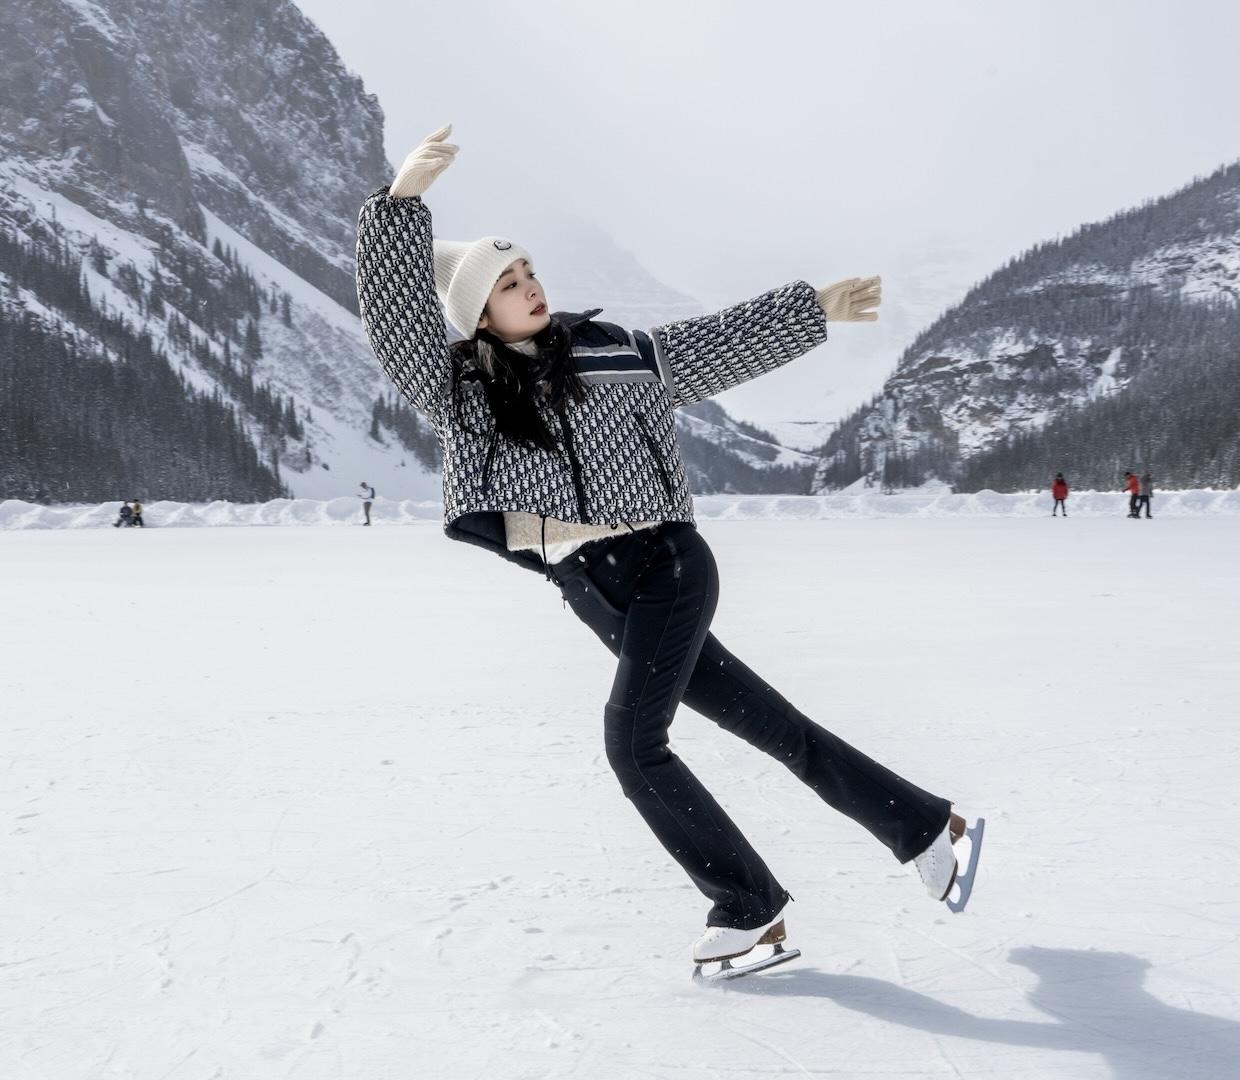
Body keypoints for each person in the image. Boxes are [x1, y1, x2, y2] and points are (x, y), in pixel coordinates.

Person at [356, 124, 970, 975]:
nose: (531, 286)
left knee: (632, 743)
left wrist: (812, 309)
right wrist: (399, 207)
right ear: (476, 312)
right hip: (587, 586)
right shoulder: (462, 391)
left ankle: (748, 907)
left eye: (530, 270)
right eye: (507, 282)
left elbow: (709, 346)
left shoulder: (616, 355)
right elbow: (395, 325)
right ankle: (924, 828)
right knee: (775, 729)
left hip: (664, 565)